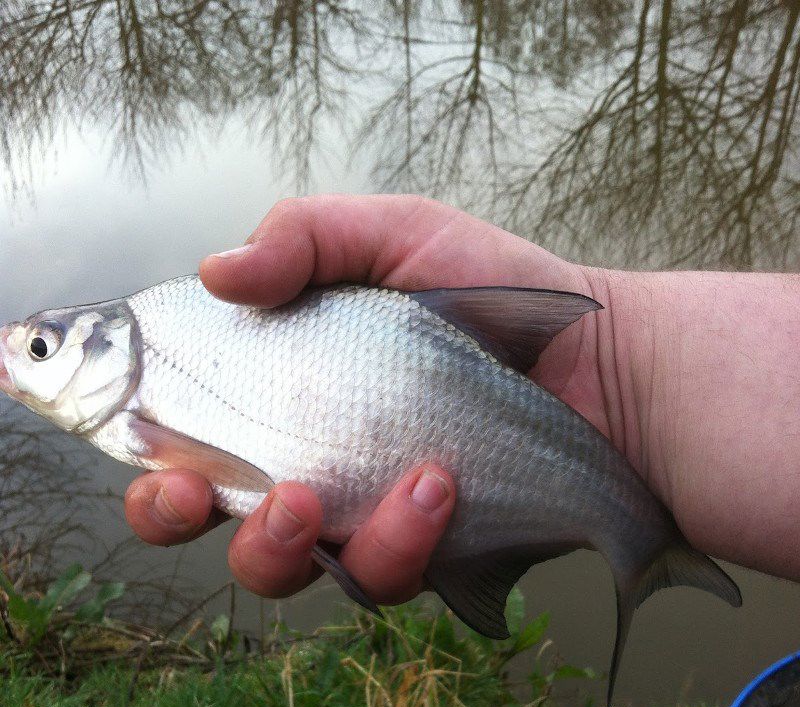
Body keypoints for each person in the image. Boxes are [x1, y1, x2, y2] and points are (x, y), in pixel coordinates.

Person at [124, 194, 800, 604]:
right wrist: (631, 373)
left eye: (42, 347)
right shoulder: (156, 356)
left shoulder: (157, 357)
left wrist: (624, 361)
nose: (16, 355)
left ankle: (639, 544)